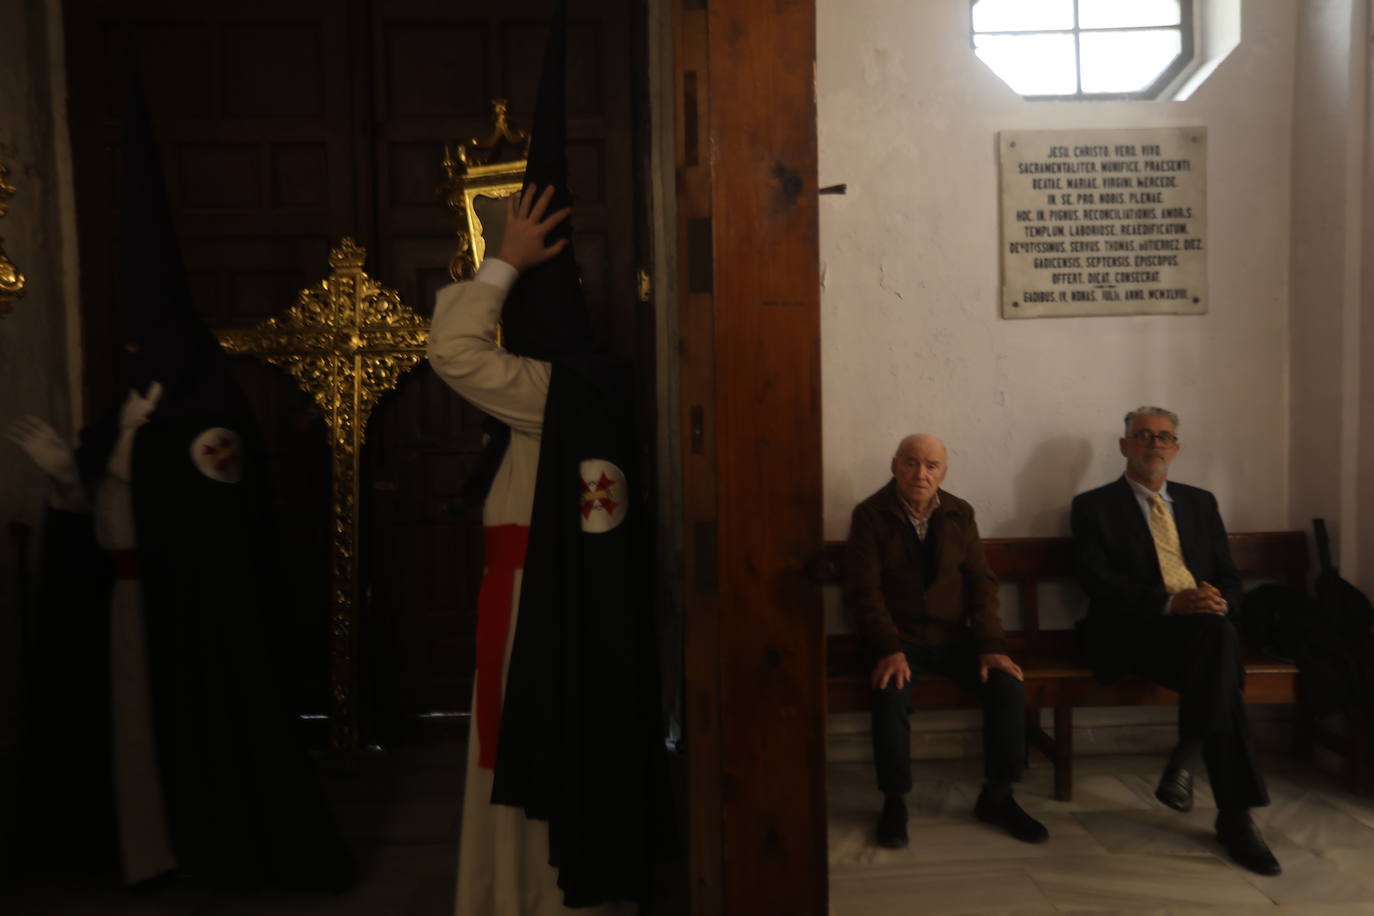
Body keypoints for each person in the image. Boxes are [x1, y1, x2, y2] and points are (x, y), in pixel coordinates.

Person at [1071, 406, 1280, 876]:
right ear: (1124, 446)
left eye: (1164, 437)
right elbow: (1098, 584)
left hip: (1200, 633)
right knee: (1222, 662)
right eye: (1143, 436)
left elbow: (1228, 577)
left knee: (1218, 638)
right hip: (1133, 634)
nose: (1154, 444)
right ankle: (1233, 817)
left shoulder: (1200, 502)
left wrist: (1216, 600)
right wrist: (1172, 604)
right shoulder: (1093, 507)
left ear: (1177, 449)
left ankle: (1196, 769)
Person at [844, 434, 1047, 848]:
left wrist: (991, 645)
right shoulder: (870, 515)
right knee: (890, 689)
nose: (921, 473)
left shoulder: (959, 512)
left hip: (955, 639)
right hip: (899, 640)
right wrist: (888, 648)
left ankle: (998, 795)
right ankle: (895, 801)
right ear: (894, 465)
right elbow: (864, 591)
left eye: (931, 465)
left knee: (1008, 686)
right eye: (911, 463)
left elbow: (981, 583)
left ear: (944, 472)